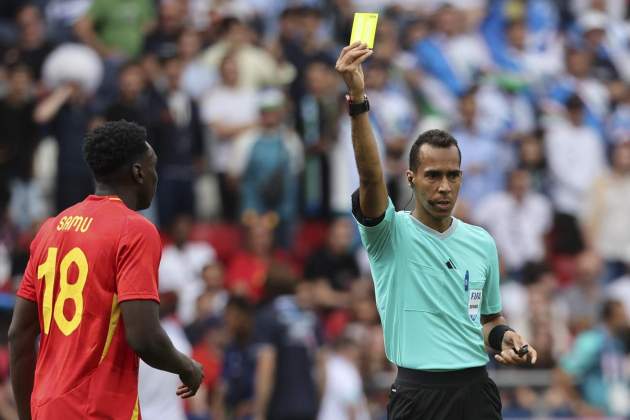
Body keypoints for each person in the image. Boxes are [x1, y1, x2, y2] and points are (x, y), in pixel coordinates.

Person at [335, 42, 537, 420]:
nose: (444, 186)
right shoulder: (389, 234)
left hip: (477, 392)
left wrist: (505, 337)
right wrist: (359, 100)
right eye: (433, 175)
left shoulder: (481, 241)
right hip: (417, 394)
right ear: (411, 179)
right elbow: (370, 176)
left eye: (452, 175)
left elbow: (486, 320)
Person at [8, 120, 203, 419]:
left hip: (47, 408)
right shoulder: (135, 230)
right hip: (99, 410)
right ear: (138, 172)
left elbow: (19, 335)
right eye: (154, 167)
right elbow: (144, 337)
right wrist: (186, 366)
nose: (155, 176)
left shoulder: (50, 229)